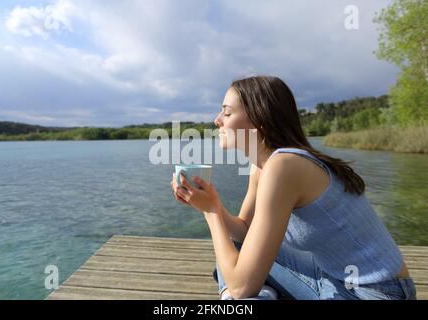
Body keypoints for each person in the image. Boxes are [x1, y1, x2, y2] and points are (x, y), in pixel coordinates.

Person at [170, 75, 417, 300]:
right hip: (330, 279)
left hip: (375, 293)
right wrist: (207, 202)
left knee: (240, 285)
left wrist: (211, 212)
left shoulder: (284, 166)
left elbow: (242, 286)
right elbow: (244, 231)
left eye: (227, 113)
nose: (217, 120)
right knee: (233, 246)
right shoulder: (263, 166)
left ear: (259, 119)